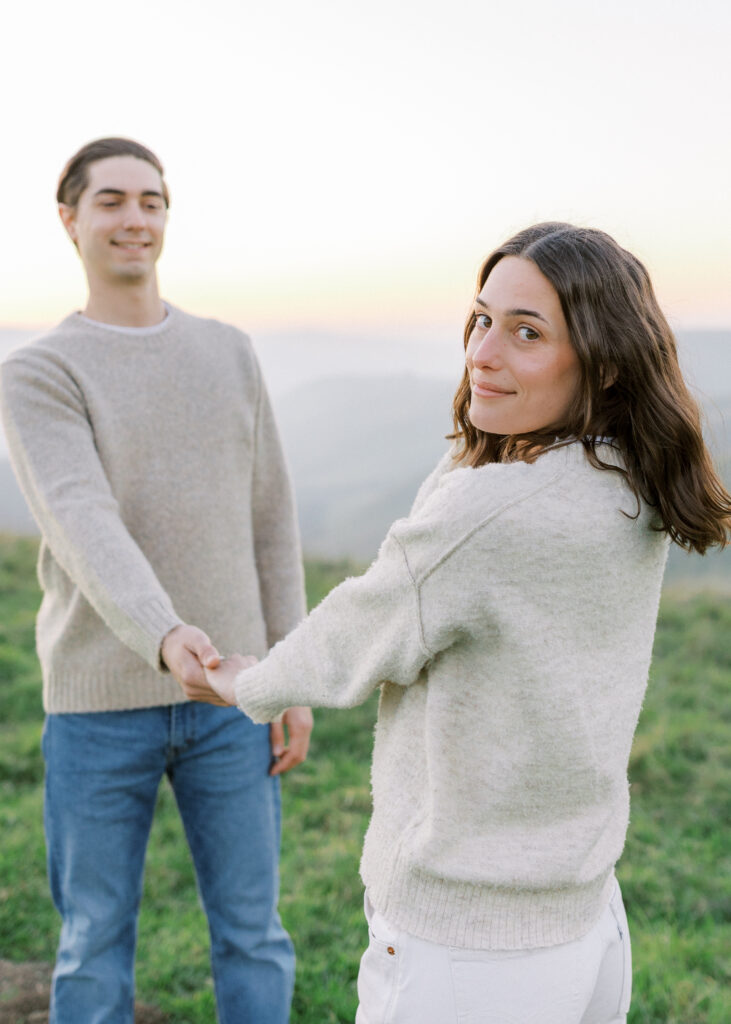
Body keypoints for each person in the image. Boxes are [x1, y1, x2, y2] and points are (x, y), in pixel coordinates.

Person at [184, 223, 731, 1023]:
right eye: (481, 319)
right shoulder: (628, 478)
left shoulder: (492, 513)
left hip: (467, 946)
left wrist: (244, 682)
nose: (482, 351)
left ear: (604, 363)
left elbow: (366, 624)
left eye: (526, 332)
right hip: (584, 921)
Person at [0, 137, 313, 1024]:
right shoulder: (38, 371)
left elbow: (271, 517)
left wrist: (290, 671)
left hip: (234, 699)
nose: (135, 218)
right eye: (110, 201)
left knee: (253, 934)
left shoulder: (229, 352)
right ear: (70, 220)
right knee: (93, 940)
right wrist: (166, 635)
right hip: (98, 707)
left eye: (152, 200)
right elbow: (79, 519)